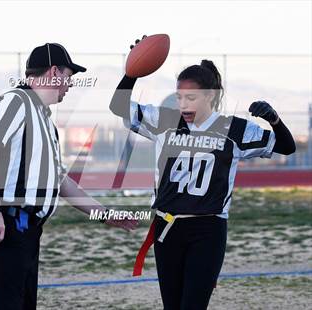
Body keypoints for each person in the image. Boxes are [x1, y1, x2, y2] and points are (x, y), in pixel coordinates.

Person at [109, 38, 296, 310]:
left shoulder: (233, 129)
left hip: (207, 230)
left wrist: (274, 120)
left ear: (210, 96)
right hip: (167, 226)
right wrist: (131, 72)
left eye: (192, 98)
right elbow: (118, 107)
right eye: (180, 97)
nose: (183, 104)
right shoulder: (165, 120)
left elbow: (287, 146)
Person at [0, 42, 137, 310]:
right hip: (3, 224)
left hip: (26, 231)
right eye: (69, 77)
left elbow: (60, 182)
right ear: (54, 72)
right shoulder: (16, 101)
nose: (70, 85)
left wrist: (105, 214)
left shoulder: (45, 119)